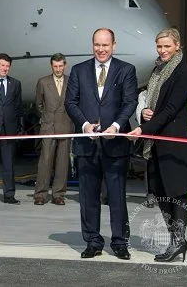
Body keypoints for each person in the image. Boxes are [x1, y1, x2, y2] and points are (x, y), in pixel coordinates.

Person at [64, 28, 137, 260]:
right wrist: (85, 125)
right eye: (97, 44)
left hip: (115, 145)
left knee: (116, 196)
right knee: (88, 197)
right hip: (87, 144)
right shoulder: (78, 70)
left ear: (114, 45)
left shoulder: (126, 70)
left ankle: (119, 242)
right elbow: (71, 102)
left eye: (105, 45)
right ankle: (92, 241)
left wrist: (116, 126)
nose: (101, 49)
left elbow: (129, 102)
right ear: (92, 44)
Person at [127, 28, 187, 262]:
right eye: (159, 46)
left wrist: (143, 129)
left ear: (178, 46)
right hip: (156, 142)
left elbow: (169, 110)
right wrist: (144, 112)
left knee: (177, 193)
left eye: (167, 46)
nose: (163, 50)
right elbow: (154, 105)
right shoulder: (157, 71)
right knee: (162, 194)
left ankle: (178, 242)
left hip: (173, 143)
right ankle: (176, 242)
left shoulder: (183, 72)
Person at [33, 53, 73, 205]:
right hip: (49, 126)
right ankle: (40, 194)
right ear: (51, 66)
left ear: (65, 65)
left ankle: (58, 194)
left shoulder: (71, 81)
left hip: (65, 124)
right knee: (45, 160)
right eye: (55, 66)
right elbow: (38, 104)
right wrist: (46, 117)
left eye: (60, 66)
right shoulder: (43, 82)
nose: (58, 69)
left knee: (62, 162)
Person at [0, 53, 22, 204]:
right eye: (2, 65)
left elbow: (18, 107)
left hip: (9, 131)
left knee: (8, 164)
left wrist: (17, 128)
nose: (5, 68)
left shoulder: (16, 84)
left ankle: (9, 194)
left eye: (7, 66)